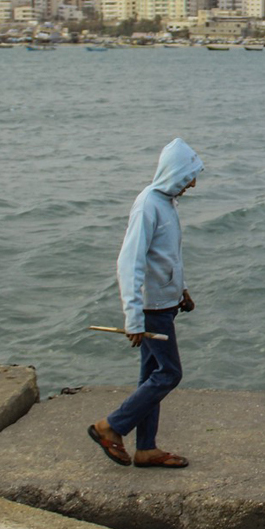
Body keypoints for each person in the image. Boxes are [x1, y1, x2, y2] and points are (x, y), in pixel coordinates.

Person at [88, 138, 204, 469]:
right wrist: (133, 318)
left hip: (165, 304)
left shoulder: (166, 203)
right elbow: (130, 263)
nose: (192, 184)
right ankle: (110, 426)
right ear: (175, 174)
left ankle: (146, 448)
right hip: (151, 310)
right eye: (188, 177)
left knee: (151, 376)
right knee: (169, 374)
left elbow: (168, 256)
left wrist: (182, 289)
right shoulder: (147, 205)